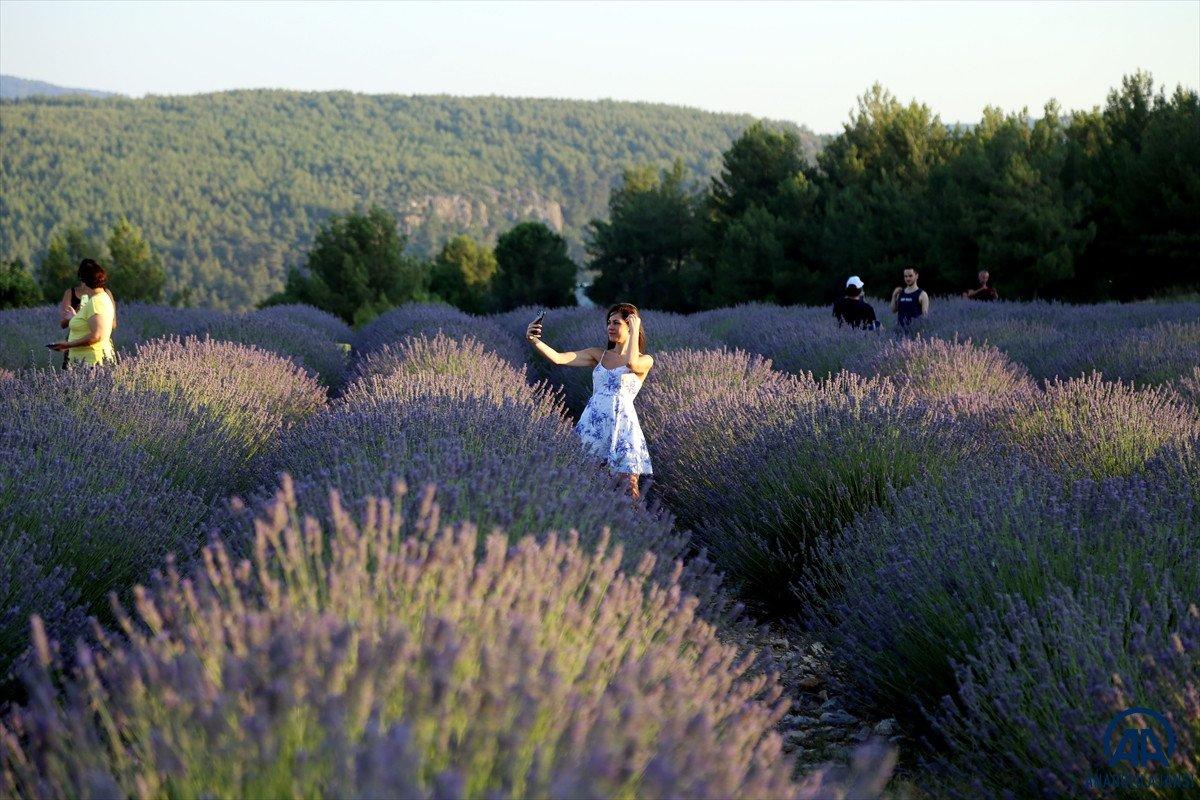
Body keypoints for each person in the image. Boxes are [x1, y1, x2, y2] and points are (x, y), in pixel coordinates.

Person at [526, 303, 653, 501]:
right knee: (586, 481)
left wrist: (636, 329)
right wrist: (534, 340)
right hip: (593, 424)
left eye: (616, 323)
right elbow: (559, 359)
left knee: (630, 488)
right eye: (609, 322)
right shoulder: (598, 354)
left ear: (630, 326)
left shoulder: (645, 360)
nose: (610, 327)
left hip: (622, 427)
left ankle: (639, 528)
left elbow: (631, 363)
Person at [47, 259, 116, 366]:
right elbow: (92, 323)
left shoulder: (95, 302)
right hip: (86, 362)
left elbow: (96, 336)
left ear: (84, 281)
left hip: (90, 362)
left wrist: (67, 345)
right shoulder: (103, 297)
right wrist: (75, 317)